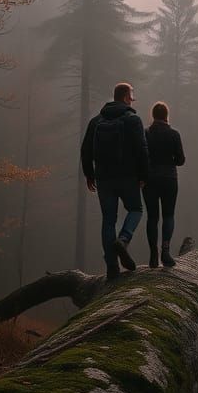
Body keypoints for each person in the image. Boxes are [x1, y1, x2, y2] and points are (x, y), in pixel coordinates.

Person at [80, 82, 149, 279]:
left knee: (108, 221)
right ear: (127, 97)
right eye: (132, 96)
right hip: (128, 176)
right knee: (136, 209)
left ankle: (112, 267)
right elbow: (142, 150)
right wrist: (144, 175)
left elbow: (85, 150)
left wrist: (89, 174)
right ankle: (124, 239)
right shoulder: (133, 120)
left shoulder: (96, 121)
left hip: (103, 178)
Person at [143, 101, 185, 268]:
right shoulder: (174, 134)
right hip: (169, 179)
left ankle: (153, 253)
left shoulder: (145, 133)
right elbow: (181, 160)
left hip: (150, 179)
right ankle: (165, 251)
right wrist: (171, 160)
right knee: (168, 215)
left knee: (152, 217)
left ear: (153, 116)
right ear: (167, 116)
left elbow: (141, 156)